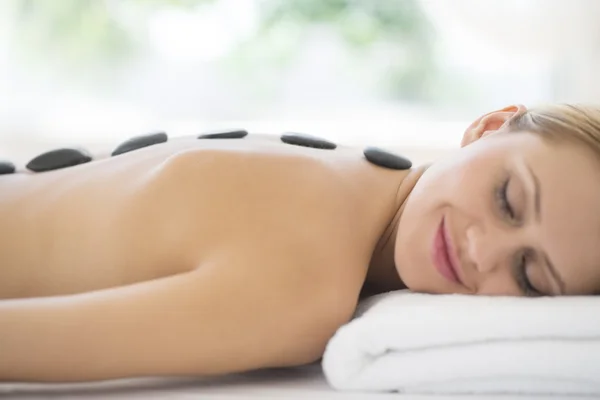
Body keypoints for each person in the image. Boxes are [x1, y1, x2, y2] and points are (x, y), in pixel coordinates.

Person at [1, 103, 599, 383]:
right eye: (508, 200)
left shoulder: (355, 176)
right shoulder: (306, 285)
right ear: (489, 125)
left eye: (529, 276)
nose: (482, 250)